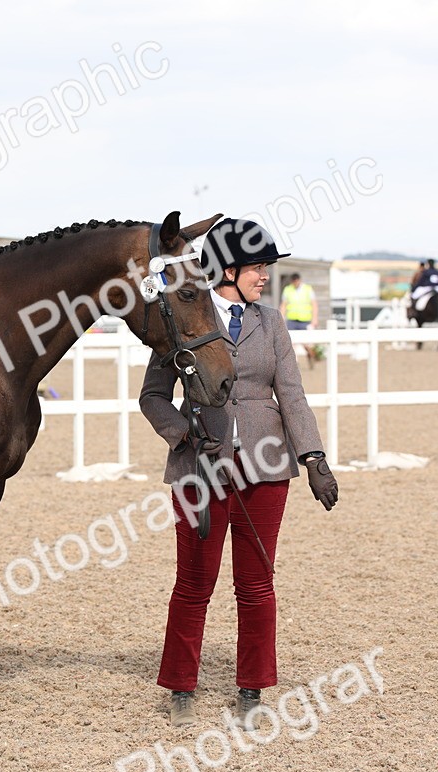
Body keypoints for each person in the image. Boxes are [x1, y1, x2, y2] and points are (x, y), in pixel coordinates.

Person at [139, 217, 338, 730]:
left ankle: (252, 686)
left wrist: (314, 458)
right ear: (226, 270)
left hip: (267, 467)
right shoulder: (182, 316)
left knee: (256, 582)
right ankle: (181, 684)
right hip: (199, 466)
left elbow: (290, 394)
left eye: (266, 267)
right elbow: (153, 396)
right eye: (256, 267)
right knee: (194, 583)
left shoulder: (270, 322)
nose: (265, 276)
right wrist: (184, 434)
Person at [280, 272, 319, 368]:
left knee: (306, 344)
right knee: (292, 342)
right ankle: (295, 362)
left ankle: (311, 355)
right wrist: (281, 317)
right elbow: (284, 305)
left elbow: (314, 304)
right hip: (292, 319)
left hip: (305, 319)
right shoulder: (288, 290)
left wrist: (315, 318)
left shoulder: (307, 289)